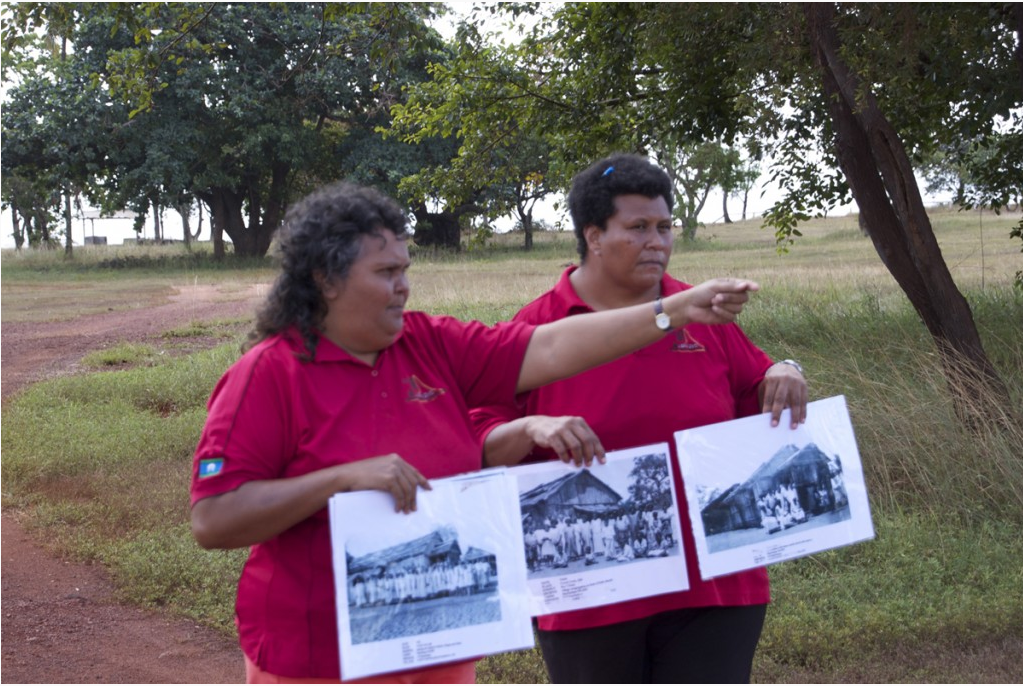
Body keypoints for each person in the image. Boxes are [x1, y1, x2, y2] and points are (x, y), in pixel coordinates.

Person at [189, 181, 762, 684]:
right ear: (326, 280)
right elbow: (214, 519)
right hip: (319, 656)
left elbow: (554, 345)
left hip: (441, 643)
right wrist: (338, 480)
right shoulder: (269, 374)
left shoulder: (430, 345)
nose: (403, 287)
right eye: (386, 273)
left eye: (406, 270)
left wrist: (673, 311)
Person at [470, 154, 808, 684]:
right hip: (591, 593)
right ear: (594, 236)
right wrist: (531, 428)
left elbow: (757, 387)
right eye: (638, 228)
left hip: (715, 583)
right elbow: (480, 438)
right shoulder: (537, 329)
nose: (658, 242)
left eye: (665, 227)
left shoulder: (700, 312)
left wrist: (786, 369)